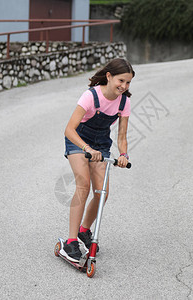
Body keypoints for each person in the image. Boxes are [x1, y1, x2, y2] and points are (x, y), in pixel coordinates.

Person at [62, 58, 135, 262]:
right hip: (78, 140)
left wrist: (123, 155)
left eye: (128, 83)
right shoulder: (90, 96)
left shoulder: (124, 102)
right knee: (83, 186)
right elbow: (69, 129)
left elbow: (121, 136)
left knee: (102, 193)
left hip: (101, 143)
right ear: (109, 76)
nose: (124, 86)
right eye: (121, 80)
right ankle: (70, 241)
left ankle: (84, 230)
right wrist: (86, 148)